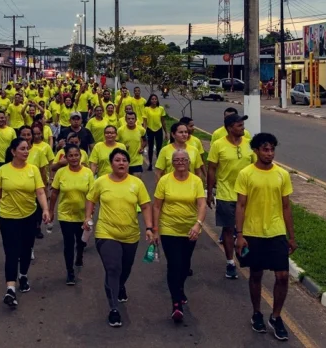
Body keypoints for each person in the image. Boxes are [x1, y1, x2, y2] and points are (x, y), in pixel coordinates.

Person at [235, 133, 296, 341]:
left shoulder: (282, 175)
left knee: (282, 276)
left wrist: (291, 236)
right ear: (256, 151)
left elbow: (286, 206)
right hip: (253, 233)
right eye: (265, 149)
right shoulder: (246, 174)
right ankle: (256, 313)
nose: (269, 154)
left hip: (276, 232)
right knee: (256, 274)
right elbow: (241, 205)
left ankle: (276, 317)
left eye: (272, 150)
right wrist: (240, 234)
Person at [84, 149, 155, 328]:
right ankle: (114, 308)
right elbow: (91, 199)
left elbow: (146, 206)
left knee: (125, 268)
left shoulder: (136, 183)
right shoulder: (101, 182)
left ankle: (120, 285)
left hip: (130, 234)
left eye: (124, 160)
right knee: (113, 268)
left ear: (128, 164)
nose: (121, 163)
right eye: (117, 160)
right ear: (111, 163)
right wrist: (87, 217)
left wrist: (149, 228)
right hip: (106, 232)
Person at [0, 138, 51, 308]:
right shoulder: (2, 171)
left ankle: (23, 275)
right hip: (8, 217)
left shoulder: (33, 170)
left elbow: (40, 191)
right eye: (22, 149)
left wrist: (45, 209)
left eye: (27, 149)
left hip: (29, 216)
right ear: (13, 151)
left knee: (26, 250)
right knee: (11, 252)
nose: (26, 152)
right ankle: (10, 289)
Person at [153, 150, 207, 323]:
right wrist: (155, 228)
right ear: (173, 162)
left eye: (184, 159)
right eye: (177, 160)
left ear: (189, 161)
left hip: (190, 230)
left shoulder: (196, 181)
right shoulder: (165, 180)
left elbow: (202, 204)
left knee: (184, 266)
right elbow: (156, 206)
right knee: (174, 264)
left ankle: (180, 288)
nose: (181, 162)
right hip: (169, 229)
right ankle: (176, 303)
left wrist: (198, 224)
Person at [207, 113, 255, 279]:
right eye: (239, 125)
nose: (243, 128)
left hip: (246, 195)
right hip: (226, 194)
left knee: (245, 229)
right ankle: (230, 263)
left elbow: (256, 167)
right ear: (229, 128)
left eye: (243, 125)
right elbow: (212, 168)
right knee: (228, 229)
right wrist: (209, 191)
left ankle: (242, 252)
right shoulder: (218, 145)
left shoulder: (249, 145)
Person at [48, 145, 94, 285]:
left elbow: (91, 195)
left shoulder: (88, 173)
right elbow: (55, 192)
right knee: (69, 243)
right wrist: (51, 211)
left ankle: (79, 256)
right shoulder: (61, 173)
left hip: (82, 214)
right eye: (71, 156)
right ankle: (70, 272)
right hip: (65, 214)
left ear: (80, 156)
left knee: (81, 242)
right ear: (66, 158)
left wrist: (89, 214)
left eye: (76, 155)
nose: (74, 158)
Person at [143, 94, 169, 171]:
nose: (154, 101)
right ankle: (150, 164)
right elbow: (145, 122)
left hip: (159, 130)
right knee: (150, 148)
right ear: (150, 100)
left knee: (159, 148)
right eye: (152, 99)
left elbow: (163, 121)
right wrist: (144, 132)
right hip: (150, 130)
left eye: (155, 99)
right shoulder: (146, 109)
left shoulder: (161, 109)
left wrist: (166, 132)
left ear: (157, 100)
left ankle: (158, 164)